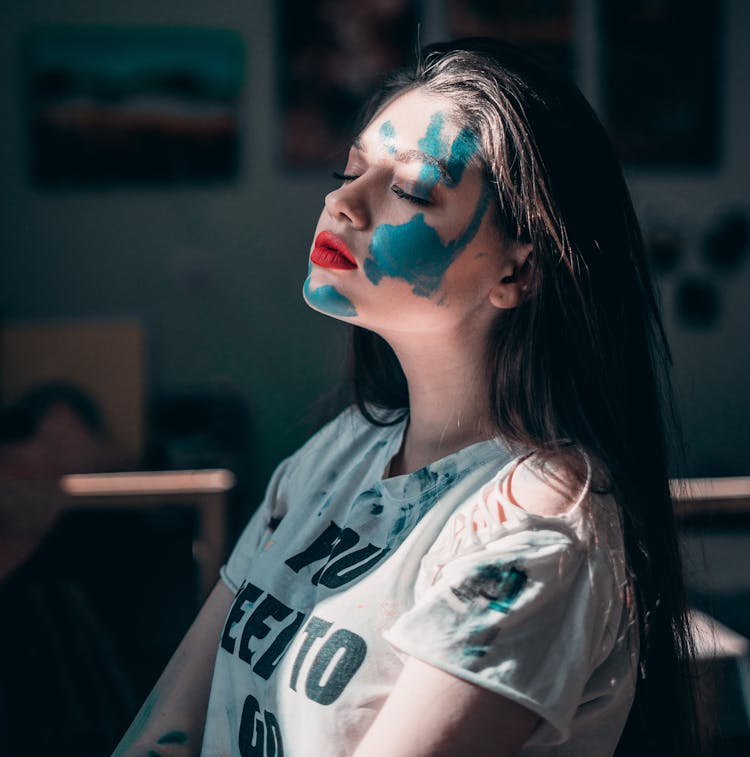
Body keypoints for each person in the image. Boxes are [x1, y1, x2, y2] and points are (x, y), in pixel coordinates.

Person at [113, 38, 700, 757]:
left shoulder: (537, 532)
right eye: (351, 169)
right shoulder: (340, 451)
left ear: (517, 271)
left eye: (412, 189)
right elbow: (167, 725)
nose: (341, 202)